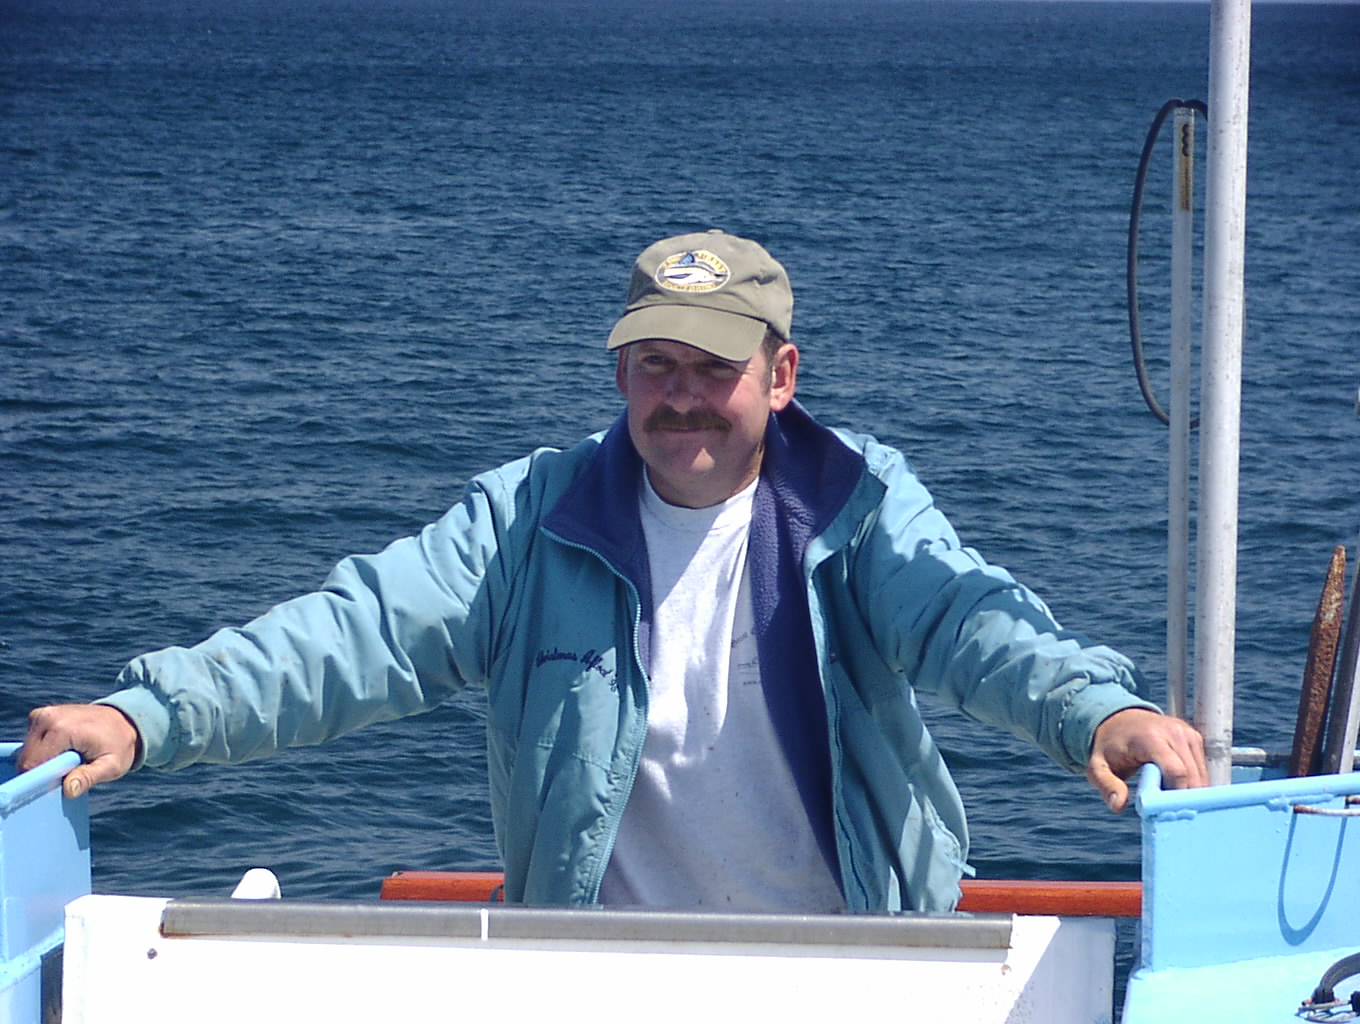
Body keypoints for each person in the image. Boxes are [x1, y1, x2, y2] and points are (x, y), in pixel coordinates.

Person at [19, 229, 1207, 913]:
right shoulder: (529, 520)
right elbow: (353, 635)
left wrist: (1094, 710)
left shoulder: (856, 506)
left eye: (713, 367)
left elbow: (966, 619)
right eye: (654, 364)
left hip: (852, 967)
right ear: (619, 373)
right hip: (599, 975)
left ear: (780, 376)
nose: (681, 396)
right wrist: (146, 713)